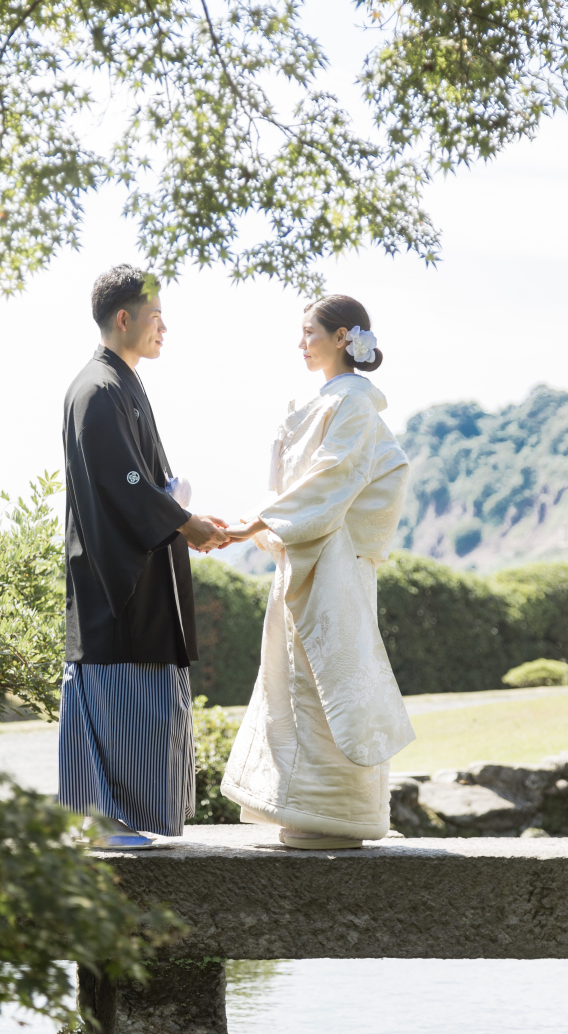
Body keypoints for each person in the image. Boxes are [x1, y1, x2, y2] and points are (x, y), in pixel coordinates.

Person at [220, 295, 415, 850]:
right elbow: (292, 483)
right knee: (292, 680)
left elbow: (333, 478)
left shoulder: (353, 404)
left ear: (341, 337)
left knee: (331, 681)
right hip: (302, 556)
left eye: (309, 331)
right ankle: (301, 806)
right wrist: (260, 520)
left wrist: (256, 523)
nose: (300, 341)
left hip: (333, 564)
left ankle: (339, 814)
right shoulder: (317, 403)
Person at [58, 264, 229, 849]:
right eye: (156, 317)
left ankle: (115, 818)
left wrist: (184, 522)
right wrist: (185, 522)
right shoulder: (98, 389)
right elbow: (126, 485)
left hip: (138, 569)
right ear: (124, 318)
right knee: (114, 693)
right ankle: (101, 820)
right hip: (116, 580)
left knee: (135, 700)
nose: (165, 328)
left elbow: (142, 482)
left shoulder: (118, 383)